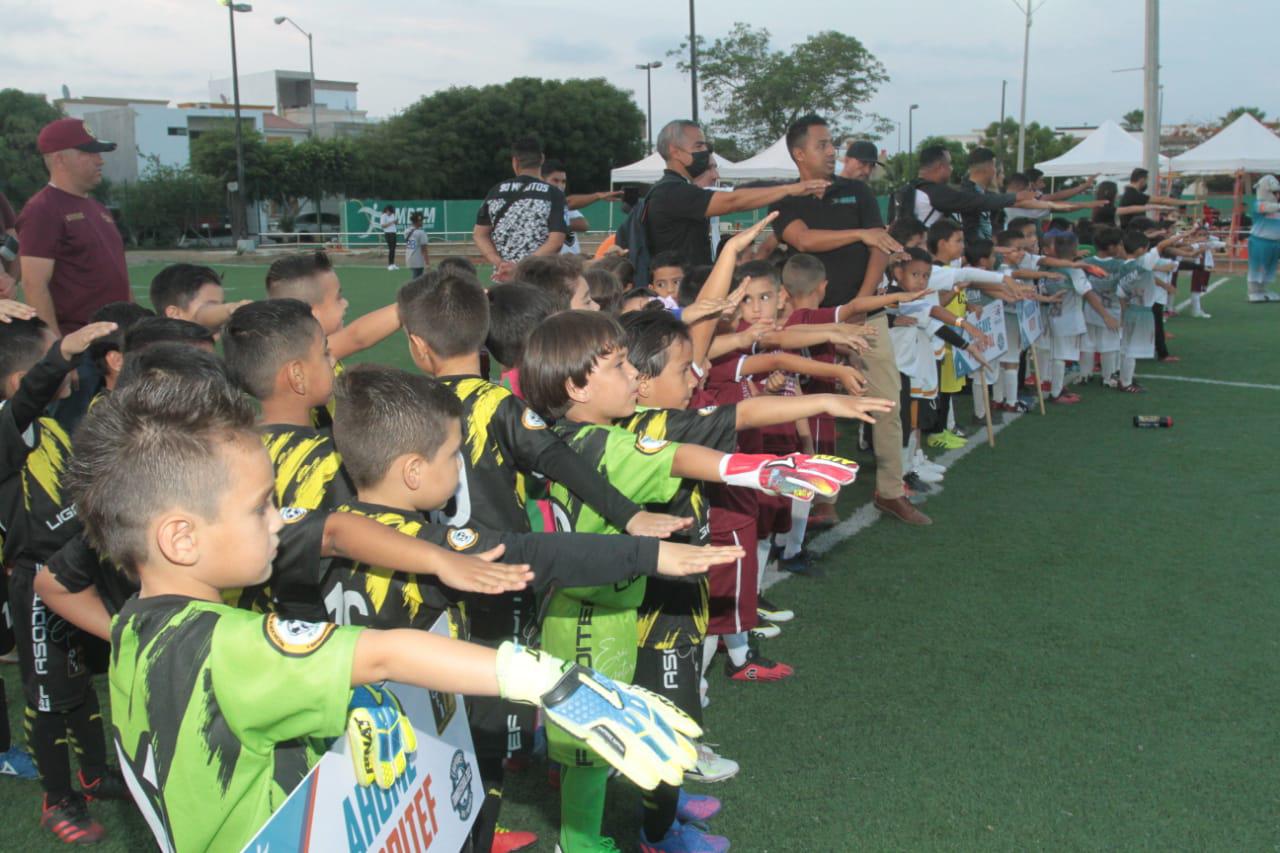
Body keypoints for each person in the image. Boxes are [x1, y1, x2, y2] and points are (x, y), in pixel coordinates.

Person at [65, 367, 704, 853]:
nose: (280, 519)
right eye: (262, 506)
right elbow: (385, 653)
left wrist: (435, 560)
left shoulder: (135, 627)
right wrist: (554, 682)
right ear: (182, 537)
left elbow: (335, 526)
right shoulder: (226, 645)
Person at [769, 114, 929, 525]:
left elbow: (881, 246)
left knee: (886, 402)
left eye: (832, 144)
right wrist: (859, 235)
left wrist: (859, 303)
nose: (832, 151)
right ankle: (821, 496)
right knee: (814, 411)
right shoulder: (787, 198)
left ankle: (890, 491)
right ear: (799, 153)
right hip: (806, 320)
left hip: (864, 315)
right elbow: (802, 239)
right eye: (823, 145)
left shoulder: (856, 190)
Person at [642, 119, 829, 271]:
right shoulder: (672, 192)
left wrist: (788, 185)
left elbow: (736, 192)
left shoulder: (679, 189)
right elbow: (733, 201)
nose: (705, 152)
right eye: (699, 146)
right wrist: (790, 189)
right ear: (676, 152)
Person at [474, 137, 568, 281]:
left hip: (504, 277)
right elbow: (556, 242)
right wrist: (521, 266)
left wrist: (499, 262)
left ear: (515, 161)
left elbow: (480, 234)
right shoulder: (553, 194)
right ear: (542, 159)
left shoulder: (495, 191)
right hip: (541, 278)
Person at [542, 159, 621, 256]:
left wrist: (558, 222)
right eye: (555, 180)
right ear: (542, 180)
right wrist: (598, 196)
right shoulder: (539, 203)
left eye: (563, 182)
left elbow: (583, 225)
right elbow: (569, 203)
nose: (560, 186)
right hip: (552, 263)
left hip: (573, 262)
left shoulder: (563, 204)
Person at [1118, 168, 1194, 228]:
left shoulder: (1129, 193)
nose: (1146, 183)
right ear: (1142, 180)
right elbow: (1162, 200)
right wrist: (1186, 202)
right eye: (1146, 180)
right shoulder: (1133, 194)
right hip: (1131, 232)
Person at [1247, 174, 1280, 303]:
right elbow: (1265, 208)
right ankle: (1253, 292)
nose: (1277, 196)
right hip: (1259, 241)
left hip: (1275, 243)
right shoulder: (1258, 205)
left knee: (1269, 268)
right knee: (1257, 267)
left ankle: (1262, 290)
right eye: (1275, 193)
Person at [404, 212, 429, 278]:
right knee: (417, 281)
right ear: (418, 221)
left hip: (409, 258)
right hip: (418, 260)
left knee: (416, 278)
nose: (422, 222)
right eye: (421, 221)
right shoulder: (421, 233)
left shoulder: (407, 231)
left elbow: (410, 245)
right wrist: (427, 263)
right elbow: (424, 249)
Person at [379, 204, 398, 270]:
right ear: (387, 210)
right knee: (391, 249)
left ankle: (393, 264)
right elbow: (383, 226)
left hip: (394, 233)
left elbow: (396, 223)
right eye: (389, 211)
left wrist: (396, 222)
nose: (390, 213)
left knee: (394, 249)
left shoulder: (393, 215)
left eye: (391, 212)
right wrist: (392, 222)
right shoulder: (383, 216)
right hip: (388, 234)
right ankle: (390, 264)